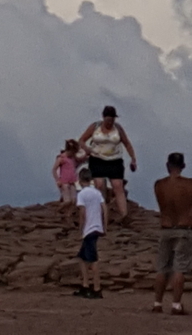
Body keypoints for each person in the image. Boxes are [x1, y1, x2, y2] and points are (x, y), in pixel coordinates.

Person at [151, 152, 192, 315]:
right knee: (179, 268)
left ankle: (157, 303)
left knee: (162, 268)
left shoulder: (159, 185)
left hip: (166, 227)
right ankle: (176, 304)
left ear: (167, 165)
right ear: (183, 166)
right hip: (184, 228)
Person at [78, 105, 137, 221]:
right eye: (108, 119)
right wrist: (86, 149)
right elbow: (81, 140)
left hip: (114, 160)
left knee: (118, 186)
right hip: (97, 159)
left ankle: (124, 215)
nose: (110, 122)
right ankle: (101, 213)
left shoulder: (118, 128)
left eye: (112, 119)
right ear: (103, 117)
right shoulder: (95, 127)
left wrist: (133, 158)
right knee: (99, 185)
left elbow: (127, 143)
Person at [74, 167, 107, 299]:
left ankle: (97, 288)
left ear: (80, 180)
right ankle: (85, 285)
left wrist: (81, 228)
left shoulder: (82, 194)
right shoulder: (97, 193)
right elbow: (105, 209)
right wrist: (105, 226)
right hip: (97, 227)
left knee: (93, 260)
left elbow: (82, 213)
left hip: (89, 228)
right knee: (82, 257)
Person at [52, 140, 84, 206]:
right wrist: (58, 180)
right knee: (67, 201)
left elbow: (74, 166)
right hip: (64, 181)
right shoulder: (62, 158)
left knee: (74, 200)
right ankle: (59, 209)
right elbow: (54, 169)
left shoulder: (73, 158)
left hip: (72, 181)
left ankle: (69, 214)